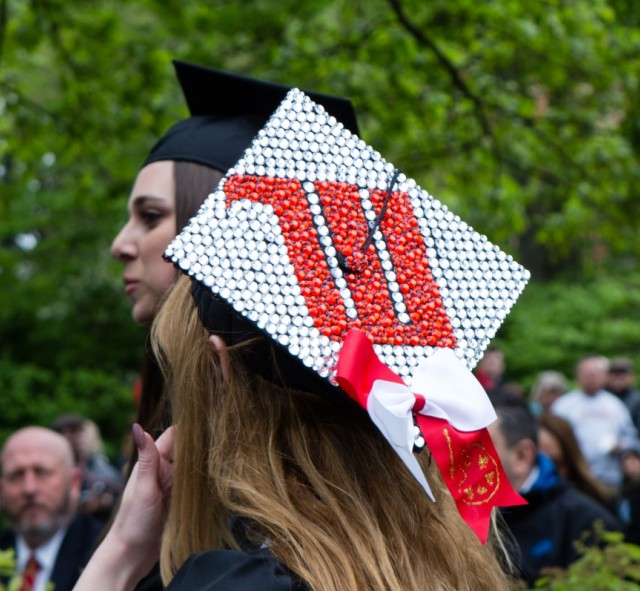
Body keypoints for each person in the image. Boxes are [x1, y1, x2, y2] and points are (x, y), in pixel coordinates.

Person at [72, 79, 533, 590]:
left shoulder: (235, 577)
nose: (121, 243)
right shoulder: (451, 562)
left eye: (152, 216)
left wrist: (116, 557)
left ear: (220, 367)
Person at [489, 395, 622, 586]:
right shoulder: (462, 512)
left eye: (483, 446)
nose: (467, 457)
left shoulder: (586, 520)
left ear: (522, 455)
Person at [0, 427, 103, 591]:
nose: (29, 488)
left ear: (75, 482)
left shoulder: (103, 552)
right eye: (17, 475)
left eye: (42, 472)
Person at [550, 355, 639, 489]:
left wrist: (623, 447)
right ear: (578, 376)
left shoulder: (615, 405)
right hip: (574, 477)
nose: (591, 378)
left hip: (610, 478)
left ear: (604, 377)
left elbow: (630, 436)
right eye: (587, 373)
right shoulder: (563, 406)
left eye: (595, 374)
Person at [52, 413, 124, 522]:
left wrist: (108, 501)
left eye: (79, 432)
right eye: (70, 433)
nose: (77, 439)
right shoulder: (50, 471)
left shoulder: (98, 465)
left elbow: (118, 492)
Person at [537, 412, 616, 510]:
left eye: (557, 464)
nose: (548, 471)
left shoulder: (598, 502)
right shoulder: (520, 512)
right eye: (540, 464)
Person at [607, 357, 640, 433]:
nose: (618, 379)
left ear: (631, 377)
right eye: (615, 375)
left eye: (622, 376)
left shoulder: (637, 399)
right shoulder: (601, 397)